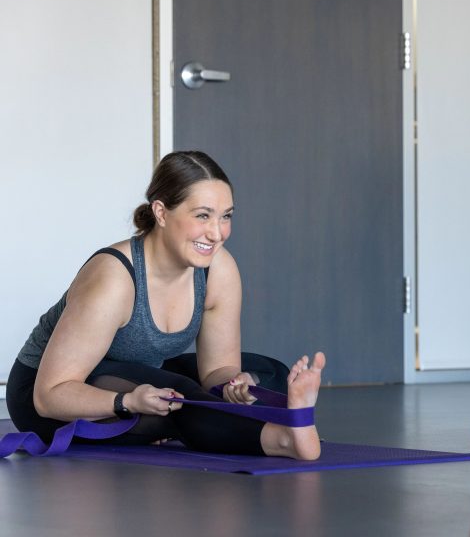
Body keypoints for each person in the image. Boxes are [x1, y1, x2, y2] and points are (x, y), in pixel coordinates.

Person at [7, 151, 325, 460]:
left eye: (226, 216)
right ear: (161, 212)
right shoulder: (114, 279)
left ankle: (199, 420)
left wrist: (233, 385)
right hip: (50, 395)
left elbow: (216, 371)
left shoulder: (218, 269)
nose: (217, 233)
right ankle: (284, 439)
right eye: (203, 215)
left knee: (268, 373)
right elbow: (49, 396)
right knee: (180, 397)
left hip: (136, 372)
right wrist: (128, 401)